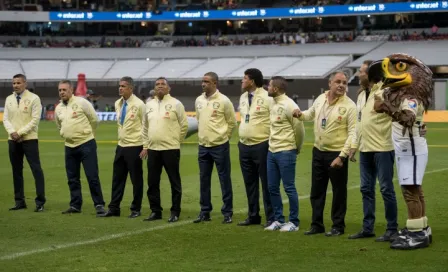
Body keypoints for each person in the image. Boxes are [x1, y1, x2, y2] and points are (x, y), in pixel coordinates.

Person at [293, 71, 356, 236]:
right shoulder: (320, 98)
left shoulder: (350, 106)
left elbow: (353, 133)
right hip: (318, 151)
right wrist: (300, 115)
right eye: (338, 82)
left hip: (336, 154)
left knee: (338, 193)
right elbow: (311, 114)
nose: (341, 85)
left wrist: (342, 156)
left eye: (344, 82)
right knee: (317, 191)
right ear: (330, 83)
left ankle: (338, 226)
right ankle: (317, 224)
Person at [347, 60, 399, 241]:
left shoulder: (385, 92)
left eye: (361, 72)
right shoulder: (362, 95)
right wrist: (354, 145)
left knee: (386, 188)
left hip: (383, 148)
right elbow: (359, 123)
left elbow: (398, 114)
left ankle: (392, 229)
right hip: (365, 149)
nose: (359, 75)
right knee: (366, 189)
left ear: (371, 74)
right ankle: (367, 228)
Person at [54, 80, 106, 216]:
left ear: (71, 90)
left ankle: (99, 204)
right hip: (69, 146)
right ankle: (75, 205)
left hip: (86, 144)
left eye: (64, 90)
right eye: (60, 90)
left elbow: (94, 120)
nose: (62, 92)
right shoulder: (58, 108)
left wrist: (90, 134)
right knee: (72, 178)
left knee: (92, 176)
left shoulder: (82, 102)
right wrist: (63, 134)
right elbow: (58, 124)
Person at [142, 77, 188, 223]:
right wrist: (145, 146)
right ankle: (156, 211)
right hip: (153, 149)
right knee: (152, 182)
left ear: (169, 88)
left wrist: (176, 141)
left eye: (163, 84)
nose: (160, 86)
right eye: (157, 84)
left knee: (174, 182)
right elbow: (144, 128)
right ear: (154, 88)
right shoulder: (148, 105)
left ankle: (175, 211)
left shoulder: (176, 104)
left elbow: (184, 125)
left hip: (170, 149)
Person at [193, 72, 237, 224]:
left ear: (214, 83)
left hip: (219, 146)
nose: (203, 84)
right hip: (203, 146)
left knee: (224, 179)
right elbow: (199, 120)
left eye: (206, 81)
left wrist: (223, 138)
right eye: (202, 81)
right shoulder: (198, 100)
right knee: (204, 180)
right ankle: (205, 211)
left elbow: (232, 123)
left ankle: (227, 212)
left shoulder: (224, 101)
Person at [100, 77, 145, 218]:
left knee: (136, 180)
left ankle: (136, 209)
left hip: (135, 146)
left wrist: (146, 146)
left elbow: (146, 126)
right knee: (117, 179)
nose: (120, 88)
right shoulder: (118, 103)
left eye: (123, 86)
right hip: (121, 146)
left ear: (131, 88)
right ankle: (114, 208)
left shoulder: (139, 104)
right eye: (119, 86)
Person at [264, 76, 305, 232]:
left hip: (286, 151)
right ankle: (279, 220)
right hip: (272, 151)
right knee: (272, 187)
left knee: (289, 187)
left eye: (269, 86)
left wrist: (296, 148)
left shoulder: (289, 105)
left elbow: (300, 129)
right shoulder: (272, 104)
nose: (267, 88)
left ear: (275, 89)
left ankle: (294, 222)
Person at [3, 74, 46, 212]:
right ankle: (19, 201)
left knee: (36, 170)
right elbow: (5, 119)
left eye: (18, 83)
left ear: (25, 84)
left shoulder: (34, 98)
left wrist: (19, 133)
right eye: (14, 83)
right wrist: (12, 133)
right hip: (13, 140)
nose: (16, 85)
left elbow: (35, 120)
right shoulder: (9, 99)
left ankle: (40, 203)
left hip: (29, 139)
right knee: (16, 171)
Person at [237, 68, 274, 227]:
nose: (242, 81)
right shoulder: (243, 97)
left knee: (266, 183)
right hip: (244, 145)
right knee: (249, 183)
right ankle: (253, 215)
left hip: (262, 144)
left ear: (252, 81)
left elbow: (274, 121)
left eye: (244, 78)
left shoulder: (267, 97)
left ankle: (271, 217)